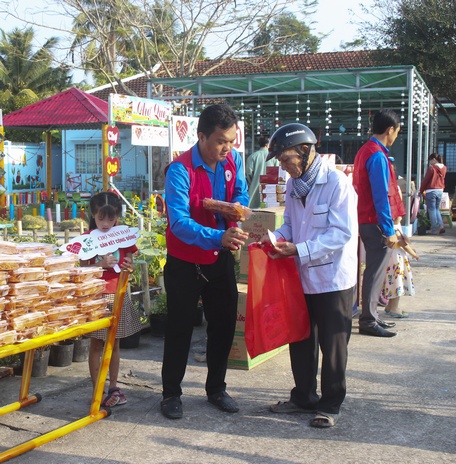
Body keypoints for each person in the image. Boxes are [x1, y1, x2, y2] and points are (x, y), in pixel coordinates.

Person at [260, 123, 358, 428]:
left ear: (305, 150)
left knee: (333, 344)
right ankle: (303, 396)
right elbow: (290, 224)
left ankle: (330, 405)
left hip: (333, 279)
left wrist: (299, 250)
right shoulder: (293, 185)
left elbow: (341, 234)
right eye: (281, 162)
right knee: (300, 337)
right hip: (301, 275)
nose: (285, 167)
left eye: (287, 160)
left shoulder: (336, 184)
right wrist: (272, 238)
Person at [160, 104, 249, 420]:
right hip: (185, 262)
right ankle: (171, 393)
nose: (227, 148)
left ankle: (216, 389)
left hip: (219, 259)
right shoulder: (180, 170)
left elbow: (241, 194)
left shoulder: (233, 161)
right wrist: (217, 237)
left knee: (223, 325)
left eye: (231, 140)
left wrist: (236, 212)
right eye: (221, 141)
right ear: (201, 137)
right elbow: (179, 223)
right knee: (180, 327)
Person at [81, 191, 142, 407]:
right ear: (93, 214)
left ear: (117, 216)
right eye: (101, 218)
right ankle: (97, 388)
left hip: (118, 293)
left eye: (111, 218)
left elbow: (131, 264)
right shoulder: (88, 240)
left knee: (114, 344)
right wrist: (100, 265)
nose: (106, 223)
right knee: (96, 344)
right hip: (97, 295)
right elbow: (81, 269)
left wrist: (129, 267)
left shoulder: (124, 238)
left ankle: (113, 386)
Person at [353, 109, 406, 338]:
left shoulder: (366, 151)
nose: (396, 137)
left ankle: (372, 316)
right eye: (397, 132)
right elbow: (380, 196)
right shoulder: (376, 155)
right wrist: (388, 229)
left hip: (367, 219)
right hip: (374, 221)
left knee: (374, 270)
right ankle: (368, 319)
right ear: (389, 130)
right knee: (374, 272)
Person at [381, 215, 418, 318]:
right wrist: (414, 254)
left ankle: (390, 306)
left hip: (391, 257)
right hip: (396, 258)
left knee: (392, 281)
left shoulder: (389, 226)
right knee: (397, 281)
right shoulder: (394, 228)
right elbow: (403, 244)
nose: (401, 217)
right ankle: (395, 308)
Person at [245, 136, 279, 208]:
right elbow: (277, 172)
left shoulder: (252, 156)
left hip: (254, 189)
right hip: (270, 189)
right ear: (267, 145)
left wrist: (253, 181)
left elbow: (248, 173)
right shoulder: (274, 157)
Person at [419, 153, 447, 234]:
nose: (430, 162)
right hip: (440, 190)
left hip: (431, 191)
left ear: (434, 159)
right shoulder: (444, 168)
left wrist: (421, 191)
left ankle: (434, 229)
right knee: (436, 209)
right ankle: (441, 226)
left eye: (430, 160)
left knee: (431, 210)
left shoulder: (432, 168)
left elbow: (426, 180)